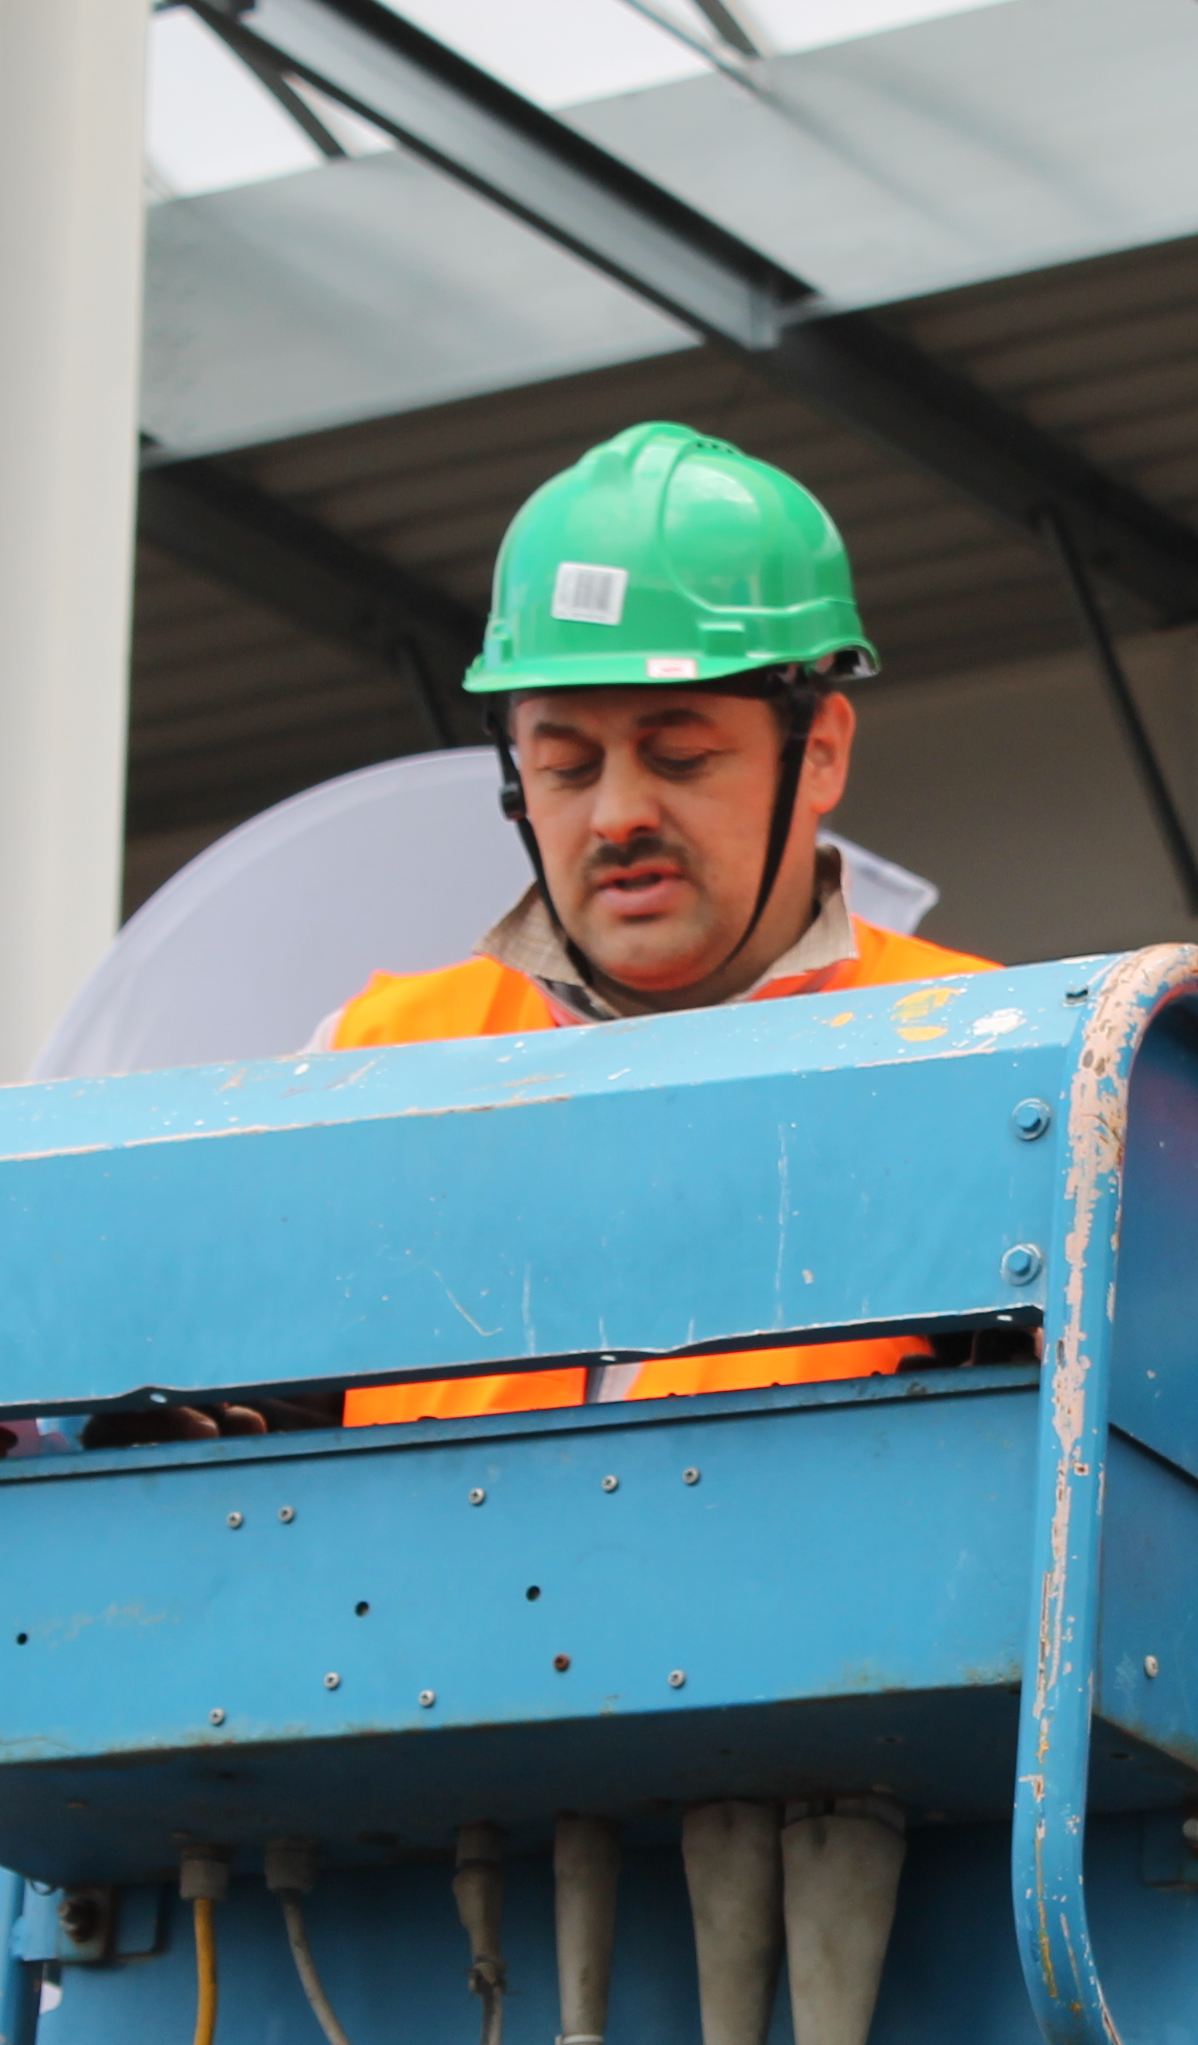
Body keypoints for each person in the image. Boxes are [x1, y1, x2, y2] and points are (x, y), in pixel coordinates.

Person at [313, 420, 993, 1424]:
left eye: (677, 754)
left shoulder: (988, 1057)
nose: (618, 813)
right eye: (567, 765)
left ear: (819, 752)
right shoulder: (364, 1066)